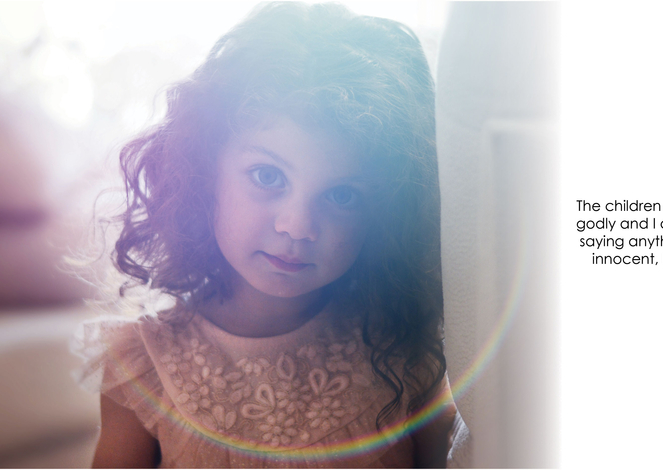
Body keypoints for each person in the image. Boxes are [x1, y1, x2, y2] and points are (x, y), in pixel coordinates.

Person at [74, 3, 465, 467]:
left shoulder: (406, 355)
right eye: (267, 176)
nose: (297, 226)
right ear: (203, 168)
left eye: (342, 196)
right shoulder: (144, 364)